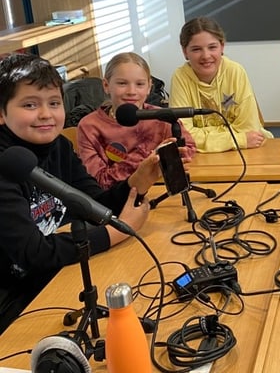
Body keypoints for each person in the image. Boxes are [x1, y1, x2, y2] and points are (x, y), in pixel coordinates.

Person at [0, 54, 162, 334]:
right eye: (29, 105)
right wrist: (116, 234)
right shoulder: (6, 164)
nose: (46, 114)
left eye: (53, 103)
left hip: (55, 275)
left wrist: (135, 184)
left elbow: (91, 203)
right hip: (15, 301)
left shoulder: (59, 146)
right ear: (1, 113)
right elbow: (33, 253)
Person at [77, 52, 196, 188]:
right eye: (122, 83)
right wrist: (150, 158)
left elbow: (189, 147)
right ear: (106, 85)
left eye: (140, 84)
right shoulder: (89, 126)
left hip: (159, 190)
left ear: (149, 88)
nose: (131, 91)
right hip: (117, 200)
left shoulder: (161, 118)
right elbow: (99, 181)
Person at [170, 17, 273, 152]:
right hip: (210, 154)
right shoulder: (180, 77)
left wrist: (205, 135)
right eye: (196, 49)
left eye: (212, 47)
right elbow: (184, 135)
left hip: (247, 151)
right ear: (185, 52)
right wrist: (239, 139)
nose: (206, 56)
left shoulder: (235, 71)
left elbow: (249, 128)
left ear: (222, 47)